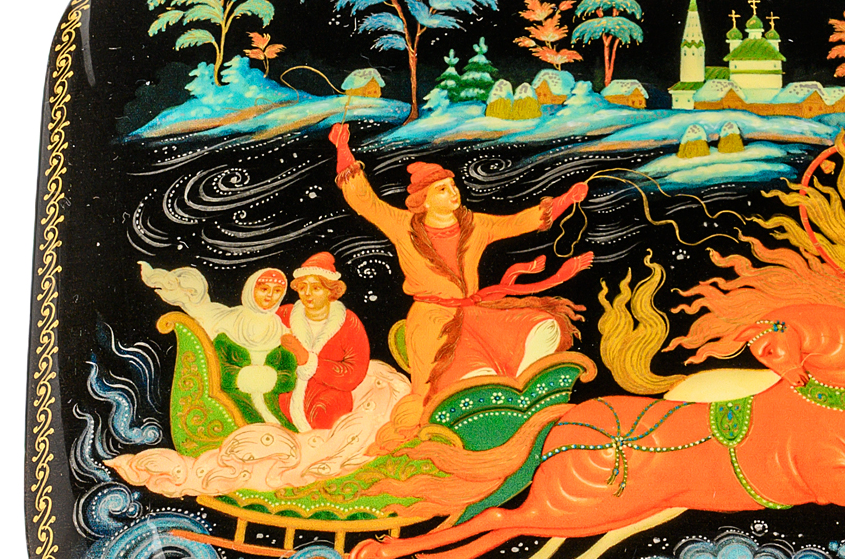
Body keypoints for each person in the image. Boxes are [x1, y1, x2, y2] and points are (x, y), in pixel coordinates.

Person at [329, 123, 592, 438]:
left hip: (474, 313)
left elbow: (518, 221)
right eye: (442, 189)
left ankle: (521, 392)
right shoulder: (403, 226)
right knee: (452, 383)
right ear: (425, 200)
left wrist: (566, 200)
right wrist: (343, 149)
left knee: (544, 327)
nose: (453, 192)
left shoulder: (475, 225)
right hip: (432, 321)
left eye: (452, 186)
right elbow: (365, 201)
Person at [139, 261, 297, 426]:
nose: (270, 296)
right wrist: (245, 378)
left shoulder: (281, 329)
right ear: (251, 290)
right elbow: (218, 370)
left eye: (277, 291)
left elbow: (288, 374)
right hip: (233, 402)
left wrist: (273, 379)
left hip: (272, 406)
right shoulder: (231, 323)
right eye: (264, 289)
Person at [277, 252, 371, 432]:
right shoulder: (284, 315)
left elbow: (354, 373)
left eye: (316, 288)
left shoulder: (348, 323)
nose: (307, 293)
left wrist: (308, 361)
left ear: (331, 291)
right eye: (302, 287)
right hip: (285, 406)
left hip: (329, 409)